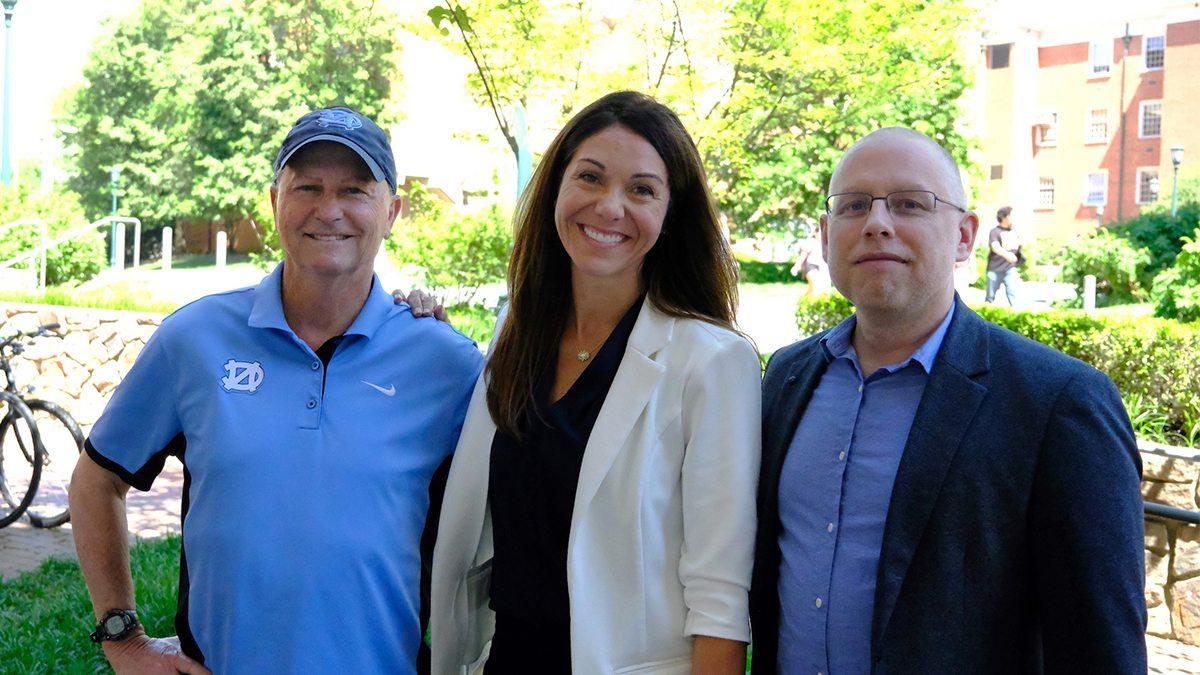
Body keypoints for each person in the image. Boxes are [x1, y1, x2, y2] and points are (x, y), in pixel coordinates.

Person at [69, 106, 483, 673]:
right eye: (306, 186)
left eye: (355, 190)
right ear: (274, 203)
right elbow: (96, 480)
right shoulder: (195, 339)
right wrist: (123, 639)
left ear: (393, 212)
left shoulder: (447, 364)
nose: (328, 210)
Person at [751, 128, 1146, 673]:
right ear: (824, 236)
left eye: (910, 204)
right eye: (854, 206)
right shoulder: (787, 376)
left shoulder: (1058, 403)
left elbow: (1099, 647)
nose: (877, 223)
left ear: (964, 237)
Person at [429, 91, 761, 675]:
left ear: (670, 214)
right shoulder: (516, 336)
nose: (610, 207)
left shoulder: (712, 362)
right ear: (557, 187)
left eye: (642, 189)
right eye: (590, 177)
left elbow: (719, 601)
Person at [985, 205, 1021, 305]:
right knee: (990, 297)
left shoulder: (1014, 231)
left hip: (1010, 268)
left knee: (1013, 294)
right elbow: (995, 247)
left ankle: (1015, 316)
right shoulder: (995, 231)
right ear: (1005, 217)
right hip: (994, 269)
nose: (1014, 218)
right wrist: (1008, 256)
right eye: (1012, 215)